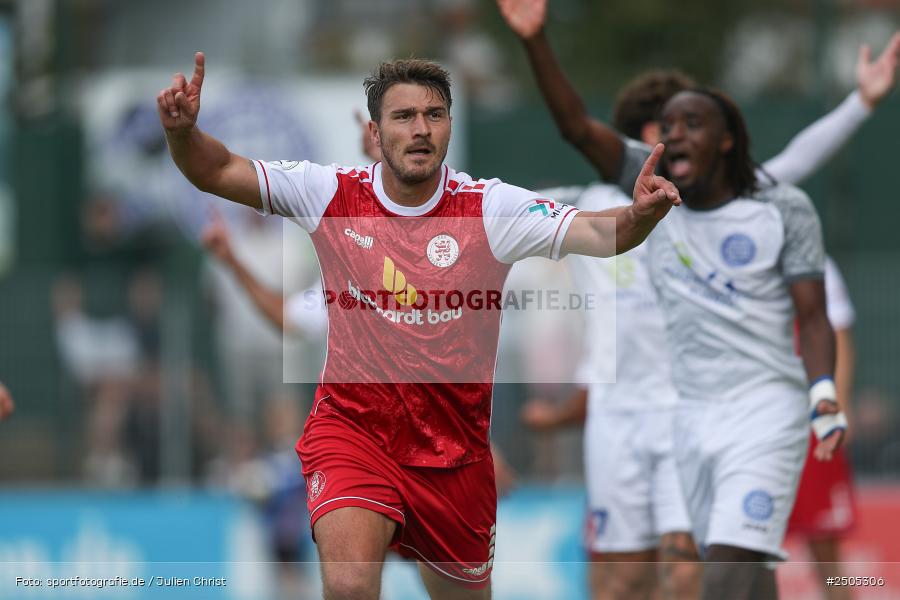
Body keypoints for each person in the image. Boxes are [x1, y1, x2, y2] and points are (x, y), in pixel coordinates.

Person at [157, 53, 680, 599]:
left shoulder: (489, 207)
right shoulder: (328, 192)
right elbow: (215, 170)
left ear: (450, 125)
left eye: (435, 114)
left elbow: (600, 234)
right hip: (354, 433)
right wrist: (182, 133)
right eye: (403, 116)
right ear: (375, 131)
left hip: (454, 457)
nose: (421, 128)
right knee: (351, 585)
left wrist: (639, 216)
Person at [498, 0, 899, 598]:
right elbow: (522, 179)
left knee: (708, 571)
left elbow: (800, 166)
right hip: (627, 421)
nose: (678, 142)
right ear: (639, 143)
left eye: (691, 126)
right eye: (666, 129)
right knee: (627, 580)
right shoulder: (585, 207)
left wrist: (860, 101)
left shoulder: (741, 200)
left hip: (710, 413)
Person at [787, 257, 859, 600]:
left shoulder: (815, 262)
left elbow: (839, 335)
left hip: (810, 424)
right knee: (747, 549)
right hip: (755, 424)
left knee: (826, 550)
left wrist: (836, 409)